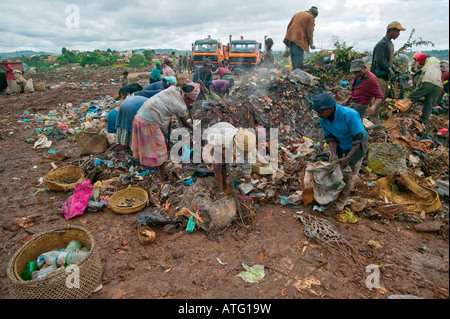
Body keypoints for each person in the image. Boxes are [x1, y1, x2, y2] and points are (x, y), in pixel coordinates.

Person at [131, 79, 200, 178]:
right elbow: (185, 123)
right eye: (192, 101)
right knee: (160, 150)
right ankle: (162, 176)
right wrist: (195, 129)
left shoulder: (173, 89)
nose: (192, 103)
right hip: (149, 122)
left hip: (140, 116)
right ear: (188, 99)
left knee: (145, 145)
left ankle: (145, 168)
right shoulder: (180, 106)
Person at [313, 93, 368, 217]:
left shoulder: (350, 115)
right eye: (317, 112)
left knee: (349, 174)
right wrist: (334, 153)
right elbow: (330, 137)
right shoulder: (323, 118)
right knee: (335, 169)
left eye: (320, 112)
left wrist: (348, 158)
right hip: (340, 143)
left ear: (331, 108)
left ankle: (338, 205)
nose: (318, 115)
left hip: (356, 146)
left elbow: (358, 139)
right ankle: (331, 198)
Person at [204, 123, 256, 197]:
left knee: (225, 166)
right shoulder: (224, 138)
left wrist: (247, 175)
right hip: (214, 138)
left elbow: (247, 159)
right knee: (218, 167)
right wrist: (222, 150)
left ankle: (225, 185)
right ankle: (220, 192)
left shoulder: (247, 143)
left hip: (226, 141)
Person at [370, 21, 406, 123]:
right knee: (378, 97)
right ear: (391, 31)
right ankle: (373, 118)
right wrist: (389, 70)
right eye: (397, 31)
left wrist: (393, 68)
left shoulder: (389, 44)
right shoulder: (382, 44)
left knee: (382, 96)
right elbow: (379, 60)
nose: (398, 34)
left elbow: (388, 60)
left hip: (384, 76)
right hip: (379, 75)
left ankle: (374, 115)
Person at [344, 59, 384, 125]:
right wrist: (348, 99)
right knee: (352, 119)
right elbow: (354, 88)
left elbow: (379, 96)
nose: (356, 74)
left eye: (358, 72)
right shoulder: (357, 76)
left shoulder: (371, 79)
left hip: (361, 104)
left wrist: (373, 107)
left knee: (353, 121)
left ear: (364, 68)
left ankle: (361, 133)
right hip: (354, 101)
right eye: (354, 72)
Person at [405, 53, 443, 124]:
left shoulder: (428, 65)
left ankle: (402, 112)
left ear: (424, 60)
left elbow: (418, 78)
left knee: (411, 97)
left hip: (428, 83)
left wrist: (417, 88)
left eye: (420, 62)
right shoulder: (436, 63)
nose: (420, 64)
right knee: (428, 105)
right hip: (438, 86)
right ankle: (424, 122)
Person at [283, 6, 318, 70]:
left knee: (294, 60)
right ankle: (299, 77)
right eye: (315, 17)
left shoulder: (297, 14)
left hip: (290, 39)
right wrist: (311, 44)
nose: (314, 18)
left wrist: (288, 39)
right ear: (314, 14)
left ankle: (294, 76)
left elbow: (289, 26)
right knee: (299, 60)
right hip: (299, 40)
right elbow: (310, 31)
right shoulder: (311, 17)